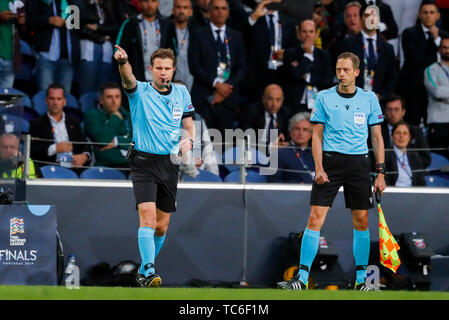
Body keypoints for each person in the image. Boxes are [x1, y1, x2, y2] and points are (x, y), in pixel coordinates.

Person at [277, 52, 386, 291]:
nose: (341, 74)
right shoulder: (324, 97)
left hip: (359, 163)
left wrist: (380, 173)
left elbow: (377, 138)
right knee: (315, 218)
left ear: (357, 72)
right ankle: (302, 280)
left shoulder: (369, 99)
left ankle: (362, 281)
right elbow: (316, 136)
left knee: (361, 221)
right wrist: (319, 167)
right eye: (338, 69)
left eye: (346, 70)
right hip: (330, 162)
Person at [114, 45, 195, 287]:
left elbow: (189, 124)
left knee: (161, 226)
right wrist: (123, 62)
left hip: (169, 164)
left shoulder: (182, 92)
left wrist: (189, 139)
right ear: (150, 70)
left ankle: (142, 269)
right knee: (147, 218)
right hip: (143, 161)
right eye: (158, 68)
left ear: (173, 70)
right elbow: (128, 77)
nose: (163, 72)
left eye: (167, 68)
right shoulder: (139, 91)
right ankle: (149, 271)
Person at [188, 0, 246, 136]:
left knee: (224, 146)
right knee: (202, 146)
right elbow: (194, 66)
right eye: (216, 8)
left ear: (228, 12)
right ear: (209, 11)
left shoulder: (236, 37)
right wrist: (216, 84)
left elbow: (241, 68)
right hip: (204, 99)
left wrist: (225, 87)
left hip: (228, 100)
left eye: (223, 8)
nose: (220, 12)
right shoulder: (198, 34)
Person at [340, 3, 398, 101]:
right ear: (360, 18)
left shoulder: (388, 48)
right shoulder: (348, 43)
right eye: (366, 15)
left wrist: (381, 95)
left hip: (379, 102)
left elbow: (393, 76)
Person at [397, 0, 441, 126]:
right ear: (419, 15)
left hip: (436, 93)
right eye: (425, 12)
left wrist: (437, 40)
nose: (428, 15)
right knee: (413, 125)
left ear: (437, 15)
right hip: (413, 90)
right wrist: (438, 56)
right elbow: (415, 59)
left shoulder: (443, 36)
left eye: (431, 12)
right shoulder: (409, 33)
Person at [243, 0, 297, 102]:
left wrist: (285, 53)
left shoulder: (288, 22)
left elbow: (295, 48)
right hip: (257, 76)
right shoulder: (253, 18)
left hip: (282, 73)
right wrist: (254, 17)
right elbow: (240, 37)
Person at [29, 84, 91, 171]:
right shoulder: (37, 123)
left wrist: (84, 156)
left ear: (64, 101)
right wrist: (55, 148)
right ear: (46, 101)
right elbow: (33, 151)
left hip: (74, 167)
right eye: (52, 98)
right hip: (51, 169)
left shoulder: (74, 122)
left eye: (59, 99)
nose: (55, 102)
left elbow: (85, 144)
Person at [26, 0, 83, 94]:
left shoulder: (72, 2)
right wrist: (49, 20)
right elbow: (29, 21)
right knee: (45, 94)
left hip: (68, 56)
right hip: (46, 54)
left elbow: (78, 25)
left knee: (64, 96)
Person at [283, 19, 333, 114]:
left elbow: (328, 81)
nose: (308, 35)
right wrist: (308, 55)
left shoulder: (324, 54)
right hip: (296, 105)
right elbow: (295, 75)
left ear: (316, 34)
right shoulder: (290, 53)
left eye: (311, 32)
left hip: (318, 105)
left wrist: (308, 77)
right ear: (298, 34)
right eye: (304, 32)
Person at [115, 0, 171, 82]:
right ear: (139, 3)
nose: (149, 4)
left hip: (161, 78)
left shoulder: (166, 25)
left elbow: (173, 51)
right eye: (145, 1)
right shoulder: (130, 24)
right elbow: (118, 50)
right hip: (136, 79)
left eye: (153, 1)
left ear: (158, 3)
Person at [78, 0, 124, 95]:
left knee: (103, 87)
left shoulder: (107, 5)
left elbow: (116, 28)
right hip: (88, 50)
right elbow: (81, 28)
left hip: (107, 51)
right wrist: (102, 37)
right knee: (87, 87)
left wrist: (98, 28)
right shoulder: (81, 4)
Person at [84, 82, 132, 171]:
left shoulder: (129, 115)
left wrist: (116, 141)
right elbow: (102, 142)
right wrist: (115, 118)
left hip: (131, 166)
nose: (114, 101)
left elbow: (139, 143)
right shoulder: (92, 116)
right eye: (109, 97)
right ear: (101, 100)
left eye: (117, 97)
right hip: (105, 167)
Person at [380, 94, 431, 168]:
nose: (393, 113)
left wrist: (407, 165)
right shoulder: (378, 132)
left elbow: (426, 159)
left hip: (411, 174)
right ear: (385, 111)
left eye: (396, 109)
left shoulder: (416, 132)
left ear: (403, 112)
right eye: (390, 109)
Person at [268, 112, 315, 184]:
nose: (300, 133)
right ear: (290, 131)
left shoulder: (316, 154)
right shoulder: (280, 154)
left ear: (311, 134)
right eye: (297, 129)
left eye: (305, 129)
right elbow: (272, 182)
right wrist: (295, 185)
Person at [239, 84, 290, 150]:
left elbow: (288, 137)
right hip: (254, 150)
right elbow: (247, 139)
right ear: (263, 99)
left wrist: (285, 143)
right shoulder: (251, 111)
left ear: (282, 100)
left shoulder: (285, 114)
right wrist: (270, 146)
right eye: (270, 99)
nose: (274, 104)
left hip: (277, 152)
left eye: (278, 100)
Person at [424, 35, 449, 160]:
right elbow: (437, 92)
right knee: (439, 162)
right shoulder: (431, 70)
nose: (447, 50)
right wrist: (442, 92)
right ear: (439, 50)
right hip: (438, 123)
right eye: (444, 47)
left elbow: (442, 92)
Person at [385, 121, 426, 187]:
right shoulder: (385, 155)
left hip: (413, 194)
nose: (401, 136)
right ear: (392, 136)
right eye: (398, 133)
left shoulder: (415, 156)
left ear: (409, 137)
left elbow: (421, 181)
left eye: (405, 133)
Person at [166, 0, 195, 91]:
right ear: (173, 10)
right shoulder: (165, 31)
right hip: (170, 79)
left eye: (185, 8)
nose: (181, 11)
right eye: (178, 7)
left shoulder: (197, 32)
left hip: (193, 80)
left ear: (191, 12)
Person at [0, 2, 26, 88]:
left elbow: (26, 33)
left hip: (11, 56)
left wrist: (21, 23)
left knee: (5, 98)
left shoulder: (18, 3)